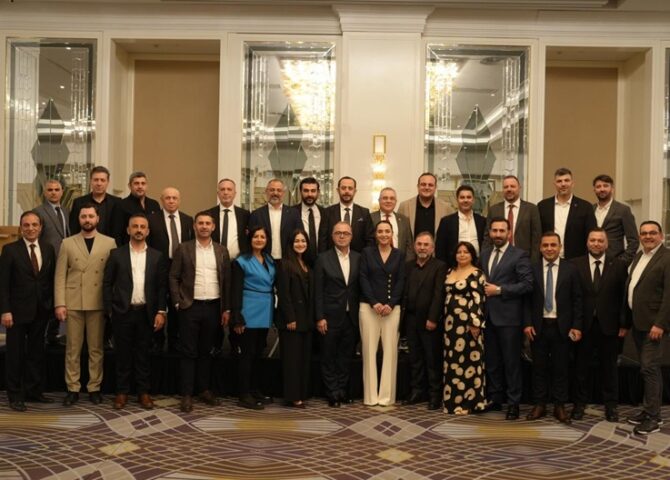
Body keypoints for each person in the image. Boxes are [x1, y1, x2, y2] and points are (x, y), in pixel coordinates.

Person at [103, 213, 167, 410]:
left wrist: (161, 311)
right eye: (135, 226)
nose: (139, 230)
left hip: (146, 313)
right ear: (128, 230)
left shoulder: (157, 256)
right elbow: (107, 283)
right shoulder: (116, 254)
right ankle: (122, 392)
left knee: (143, 355)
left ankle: (143, 392)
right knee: (122, 354)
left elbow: (161, 287)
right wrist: (109, 310)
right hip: (122, 312)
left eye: (142, 227)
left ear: (147, 231)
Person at [55, 204, 117, 406]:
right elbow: (60, 276)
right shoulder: (67, 243)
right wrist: (60, 303)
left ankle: (94, 387)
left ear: (97, 219)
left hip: (97, 302)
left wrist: (110, 303)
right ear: (79, 219)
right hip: (73, 301)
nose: (87, 220)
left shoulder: (109, 243)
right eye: (84, 216)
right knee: (72, 349)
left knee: (96, 349)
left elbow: (113, 276)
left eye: (91, 216)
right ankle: (72, 388)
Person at [169, 211, 231, 413]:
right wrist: (177, 302)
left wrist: (226, 308)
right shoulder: (183, 248)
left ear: (213, 227)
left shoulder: (222, 250)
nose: (204, 226)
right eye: (200, 223)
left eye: (207, 223)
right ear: (194, 226)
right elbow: (173, 277)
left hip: (213, 307)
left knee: (206, 351)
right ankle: (186, 394)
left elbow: (227, 282)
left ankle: (204, 390)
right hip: (190, 307)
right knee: (188, 352)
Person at [0, 211, 56, 411]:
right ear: (21, 228)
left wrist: (52, 305)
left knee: (36, 353)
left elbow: (50, 279)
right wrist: (5, 311)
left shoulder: (48, 249)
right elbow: (3, 284)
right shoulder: (10, 250)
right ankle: (15, 395)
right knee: (15, 355)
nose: (31, 228)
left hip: (41, 310)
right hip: (16, 313)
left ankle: (33, 391)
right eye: (26, 225)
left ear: (40, 227)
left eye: (34, 225)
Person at [571, 228, 628, 422]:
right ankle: (579, 404)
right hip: (582, 326)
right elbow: (571, 297)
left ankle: (611, 406)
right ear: (587, 243)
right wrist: (573, 324)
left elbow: (623, 297)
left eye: (600, 240)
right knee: (581, 368)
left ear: (606, 244)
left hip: (610, 326)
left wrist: (624, 324)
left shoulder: (619, 265)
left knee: (609, 368)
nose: (596, 243)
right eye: (593, 240)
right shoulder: (575, 265)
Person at [525, 232, 582, 424]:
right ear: (540, 248)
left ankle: (559, 406)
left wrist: (576, 325)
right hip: (538, 326)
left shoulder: (571, 269)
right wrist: (527, 323)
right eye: (546, 245)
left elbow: (577, 299)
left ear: (560, 247)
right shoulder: (532, 269)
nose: (549, 248)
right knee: (538, 368)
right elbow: (526, 300)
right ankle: (539, 404)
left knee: (561, 368)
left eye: (553, 245)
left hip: (562, 327)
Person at [480, 218, 533, 420]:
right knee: (492, 362)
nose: (498, 234)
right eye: (494, 230)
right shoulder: (484, 254)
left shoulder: (519, 255)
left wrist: (500, 290)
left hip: (509, 319)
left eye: (502, 231)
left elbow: (527, 284)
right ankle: (495, 398)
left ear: (509, 233)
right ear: (490, 233)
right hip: (488, 317)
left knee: (511, 364)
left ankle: (513, 403)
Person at [624, 221, 670, 435]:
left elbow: (669, 296)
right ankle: (648, 409)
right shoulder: (639, 256)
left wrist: (660, 324)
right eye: (644, 233)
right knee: (647, 368)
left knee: (649, 368)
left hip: (654, 325)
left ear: (661, 235)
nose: (648, 236)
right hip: (639, 323)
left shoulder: (667, 258)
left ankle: (653, 417)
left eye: (652, 233)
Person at [359, 220, 405, 407]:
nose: (384, 234)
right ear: (375, 234)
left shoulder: (399, 254)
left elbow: (401, 280)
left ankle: (386, 397)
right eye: (380, 231)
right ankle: (370, 397)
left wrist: (391, 304)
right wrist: (374, 302)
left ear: (392, 233)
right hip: (368, 308)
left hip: (392, 310)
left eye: (387, 231)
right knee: (369, 352)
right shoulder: (367, 253)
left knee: (390, 353)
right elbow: (363, 277)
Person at [315, 221, 361, 407]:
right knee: (328, 357)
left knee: (345, 357)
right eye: (338, 233)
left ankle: (342, 390)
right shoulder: (323, 258)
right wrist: (319, 317)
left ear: (352, 236)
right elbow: (318, 291)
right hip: (329, 317)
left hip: (352, 318)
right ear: (332, 236)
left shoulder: (358, 258)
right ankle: (332, 392)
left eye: (346, 233)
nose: (342, 236)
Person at [231, 225, 276, 410]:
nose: (259, 240)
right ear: (249, 239)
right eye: (256, 236)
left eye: (262, 237)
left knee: (258, 353)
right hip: (248, 310)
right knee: (247, 355)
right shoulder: (241, 261)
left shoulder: (269, 259)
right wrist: (237, 316)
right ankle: (244, 394)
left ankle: (254, 389)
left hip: (265, 310)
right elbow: (235, 289)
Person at [401, 232, 446, 410]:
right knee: (415, 358)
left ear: (432, 248)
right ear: (414, 246)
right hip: (411, 319)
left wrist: (433, 318)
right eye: (419, 244)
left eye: (426, 245)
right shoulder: (408, 266)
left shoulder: (439, 266)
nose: (422, 247)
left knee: (432, 359)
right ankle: (417, 391)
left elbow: (438, 294)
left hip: (429, 321)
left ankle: (435, 395)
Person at [147, 187, 193, 352]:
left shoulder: (188, 220)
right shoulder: (151, 219)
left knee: (177, 305)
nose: (171, 201)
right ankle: (157, 340)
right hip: (159, 267)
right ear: (162, 200)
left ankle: (175, 340)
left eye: (174, 198)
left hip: (181, 270)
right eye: (168, 198)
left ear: (179, 200)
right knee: (157, 303)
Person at [443, 241, 487, 414]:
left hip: (468, 325)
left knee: (469, 362)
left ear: (472, 255)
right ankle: (453, 402)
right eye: (459, 252)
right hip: (450, 325)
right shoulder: (450, 271)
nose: (462, 255)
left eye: (466, 252)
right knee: (453, 362)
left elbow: (478, 299)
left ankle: (470, 403)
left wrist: (475, 324)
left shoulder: (477, 273)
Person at [276, 229, 313, 408]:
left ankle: (301, 393)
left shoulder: (306, 263)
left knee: (303, 359)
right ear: (290, 244)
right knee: (292, 361)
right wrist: (290, 317)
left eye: (303, 241)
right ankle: (293, 396)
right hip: (291, 320)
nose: (300, 244)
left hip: (306, 319)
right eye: (297, 241)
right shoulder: (284, 264)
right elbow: (284, 294)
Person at [34, 179, 70, 345]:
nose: (54, 192)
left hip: (65, 261)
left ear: (62, 191)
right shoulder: (38, 212)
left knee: (60, 298)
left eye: (57, 189)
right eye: (50, 190)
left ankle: (54, 334)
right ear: (44, 192)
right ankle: (45, 335)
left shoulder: (66, 211)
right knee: (48, 299)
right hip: (48, 263)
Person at [537, 168, 597, 260]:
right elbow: (538, 234)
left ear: (572, 183)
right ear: (554, 184)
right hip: (548, 259)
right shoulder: (543, 206)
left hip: (577, 260)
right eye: (559, 181)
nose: (563, 184)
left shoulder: (585, 207)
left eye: (566, 180)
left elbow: (591, 235)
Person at [483, 175, 541, 263]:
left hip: (524, 260)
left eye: (512, 186)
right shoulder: (494, 210)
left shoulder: (531, 209)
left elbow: (536, 239)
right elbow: (487, 237)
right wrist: (485, 259)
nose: (509, 189)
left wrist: (534, 262)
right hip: (498, 260)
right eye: (506, 187)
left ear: (519, 188)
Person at [248, 178, 302, 261]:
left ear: (283, 193)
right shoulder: (256, 214)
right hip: (263, 260)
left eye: (279, 190)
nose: (275, 193)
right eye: (272, 190)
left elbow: (299, 236)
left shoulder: (294, 214)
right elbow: (250, 239)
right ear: (266, 192)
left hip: (288, 260)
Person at [592, 174, 639, 266]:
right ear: (594, 190)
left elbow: (633, 241)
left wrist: (622, 262)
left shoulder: (623, 210)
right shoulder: (590, 209)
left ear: (612, 189)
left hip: (614, 261)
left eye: (605, 186)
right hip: (592, 262)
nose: (602, 189)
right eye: (598, 186)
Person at [435, 185, 486, 268]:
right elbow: (440, 249)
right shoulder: (446, 222)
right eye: (462, 197)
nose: (465, 200)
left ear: (473, 200)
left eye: (468, 197)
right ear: (457, 200)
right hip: (454, 267)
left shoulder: (482, 221)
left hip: (478, 266)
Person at [69, 166, 122, 238]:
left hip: (111, 244)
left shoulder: (117, 202)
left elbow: (120, 229)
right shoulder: (78, 203)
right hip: (84, 243)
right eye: (96, 180)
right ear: (91, 181)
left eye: (102, 180)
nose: (99, 183)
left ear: (108, 182)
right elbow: (74, 229)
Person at [323, 176, 372, 252]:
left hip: (359, 257)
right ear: (338, 190)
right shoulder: (327, 212)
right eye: (343, 188)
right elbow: (323, 239)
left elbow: (369, 239)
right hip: (332, 257)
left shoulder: (364, 213)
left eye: (350, 188)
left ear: (355, 191)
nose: (347, 191)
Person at [398, 172, 453, 238]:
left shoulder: (446, 208)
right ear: (418, 186)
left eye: (430, 185)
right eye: (423, 184)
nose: (427, 187)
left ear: (435, 187)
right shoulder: (404, 206)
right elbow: (398, 233)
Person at [206, 178, 250, 259]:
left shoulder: (245, 215)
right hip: (213, 260)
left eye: (229, 189)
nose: (226, 192)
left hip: (238, 261)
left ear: (235, 193)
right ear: (218, 193)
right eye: (222, 189)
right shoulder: (208, 214)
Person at [115, 171, 161, 244]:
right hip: (129, 247)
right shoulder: (121, 205)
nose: (140, 186)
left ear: (146, 186)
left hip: (151, 248)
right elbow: (117, 233)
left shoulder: (154, 204)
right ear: (129, 186)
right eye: (136, 183)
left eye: (143, 183)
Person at [370, 187, 414, 262]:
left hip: (400, 263)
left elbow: (409, 245)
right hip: (376, 263)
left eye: (392, 198)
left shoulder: (404, 220)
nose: (388, 201)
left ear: (396, 201)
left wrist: (407, 264)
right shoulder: (370, 218)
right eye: (385, 198)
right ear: (379, 200)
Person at [292, 177, 327, 266]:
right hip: (298, 262)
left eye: (313, 191)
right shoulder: (292, 212)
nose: (309, 194)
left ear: (318, 192)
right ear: (300, 192)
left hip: (321, 262)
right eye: (306, 191)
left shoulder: (325, 212)